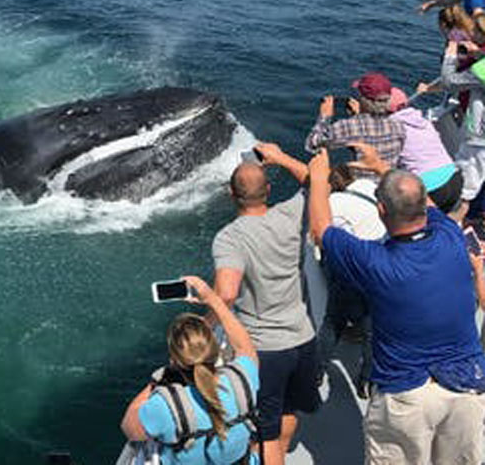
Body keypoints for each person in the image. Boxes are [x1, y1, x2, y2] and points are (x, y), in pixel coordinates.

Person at [308, 144, 485, 464]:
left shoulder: (375, 263)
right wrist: (381, 167)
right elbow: (423, 201)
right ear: (424, 208)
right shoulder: (450, 235)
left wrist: (318, 179)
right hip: (464, 387)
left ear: (381, 211)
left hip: (405, 395)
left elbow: (322, 230)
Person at [212, 143, 319, 465]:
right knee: (288, 409)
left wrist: (205, 320)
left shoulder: (229, 237)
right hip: (302, 338)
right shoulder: (290, 215)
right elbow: (315, 180)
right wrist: (281, 157)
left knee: (263, 433)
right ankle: (280, 454)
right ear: (268, 190)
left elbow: (228, 292)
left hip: (264, 348)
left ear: (231, 194)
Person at [121, 276, 259, 465]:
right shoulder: (242, 380)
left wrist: (158, 382)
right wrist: (213, 298)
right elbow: (245, 347)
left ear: (175, 360)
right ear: (214, 349)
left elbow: (130, 428)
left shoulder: (165, 405)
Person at [315, 163, 384, 398]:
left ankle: (315, 372)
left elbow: (320, 237)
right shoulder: (366, 186)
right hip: (377, 264)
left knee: (333, 321)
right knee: (372, 331)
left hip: (351, 271)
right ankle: (366, 381)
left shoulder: (332, 204)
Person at [305, 72, 406, 180]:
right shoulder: (399, 126)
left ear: (362, 99)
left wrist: (324, 117)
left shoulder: (346, 127)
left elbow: (311, 145)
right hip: (386, 184)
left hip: (358, 185)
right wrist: (358, 116)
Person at [388, 87, 464, 213]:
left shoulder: (391, 129)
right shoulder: (423, 122)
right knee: (441, 221)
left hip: (430, 188)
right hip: (454, 178)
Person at [441, 39, 485, 217]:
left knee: (464, 191)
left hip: (480, 139)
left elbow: (449, 82)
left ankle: (452, 231)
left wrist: (450, 53)